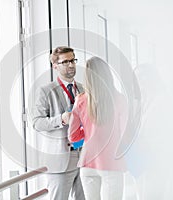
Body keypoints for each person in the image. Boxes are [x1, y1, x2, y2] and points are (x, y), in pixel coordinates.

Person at [68, 56, 128, 200]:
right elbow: (125, 133)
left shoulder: (80, 100)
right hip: (111, 162)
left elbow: (73, 137)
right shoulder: (120, 99)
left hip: (87, 163)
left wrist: (89, 132)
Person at [31, 46, 85, 199]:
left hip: (83, 156)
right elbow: (36, 123)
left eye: (73, 60)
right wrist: (61, 119)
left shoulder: (83, 88)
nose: (71, 65)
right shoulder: (45, 90)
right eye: (65, 62)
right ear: (55, 66)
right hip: (60, 160)